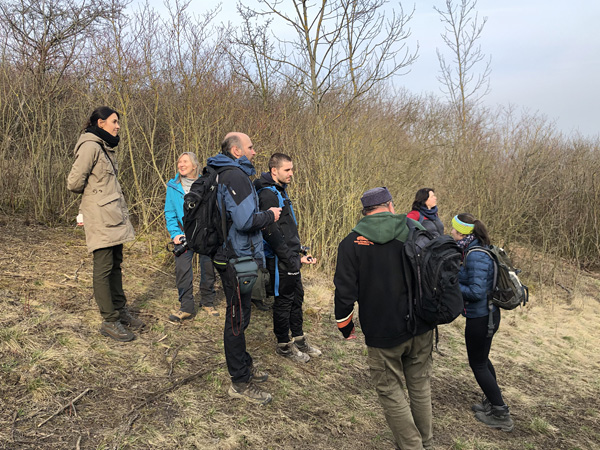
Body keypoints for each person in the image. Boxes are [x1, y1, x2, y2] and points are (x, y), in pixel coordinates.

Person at [334, 187, 435, 450]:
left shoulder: (351, 242)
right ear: (390, 206)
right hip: (421, 324)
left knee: (390, 390)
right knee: (420, 384)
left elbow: (345, 291)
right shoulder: (415, 230)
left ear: (365, 212)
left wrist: (345, 325)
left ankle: (413, 446)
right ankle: (425, 441)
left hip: (382, 331)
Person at [207, 132, 281, 405]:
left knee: (241, 314)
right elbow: (245, 220)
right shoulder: (235, 177)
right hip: (238, 259)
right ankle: (239, 382)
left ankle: (244, 366)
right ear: (237, 151)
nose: (254, 151)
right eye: (251, 147)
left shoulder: (220, 173)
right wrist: (270, 215)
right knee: (238, 319)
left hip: (231, 255)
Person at [67, 107, 144, 342]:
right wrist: (95, 199)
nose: (118, 126)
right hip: (101, 217)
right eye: (114, 121)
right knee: (103, 268)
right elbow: (73, 182)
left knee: (116, 265)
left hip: (113, 217)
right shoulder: (91, 146)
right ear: (101, 123)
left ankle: (120, 312)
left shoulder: (105, 147)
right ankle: (109, 321)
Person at [254, 153, 321, 363]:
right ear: (274, 171)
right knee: (283, 302)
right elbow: (270, 231)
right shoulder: (267, 194)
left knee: (297, 299)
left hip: (290, 257)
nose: (291, 174)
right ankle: (284, 345)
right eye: (287, 170)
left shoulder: (279, 190)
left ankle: (299, 339)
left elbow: (285, 228)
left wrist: (299, 250)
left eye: (292, 169)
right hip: (279, 259)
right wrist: (288, 258)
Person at [450, 213, 514, 432]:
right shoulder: (475, 249)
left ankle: (500, 413)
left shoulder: (476, 255)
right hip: (486, 315)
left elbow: (477, 292)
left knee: (477, 364)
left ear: (463, 233)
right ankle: (491, 402)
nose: (451, 232)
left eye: (454, 230)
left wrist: (451, 285)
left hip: (481, 318)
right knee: (482, 360)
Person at [164, 152, 219, 322]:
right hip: (183, 234)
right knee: (182, 270)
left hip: (205, 233)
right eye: (179, 161)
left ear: (195, 165)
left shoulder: (207, 184)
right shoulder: (173, 186)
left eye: (185, 161)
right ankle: (186, 307)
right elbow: (170, 212)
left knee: (208, 267)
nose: (181, 164)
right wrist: (175, 233)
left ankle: (208, 302)